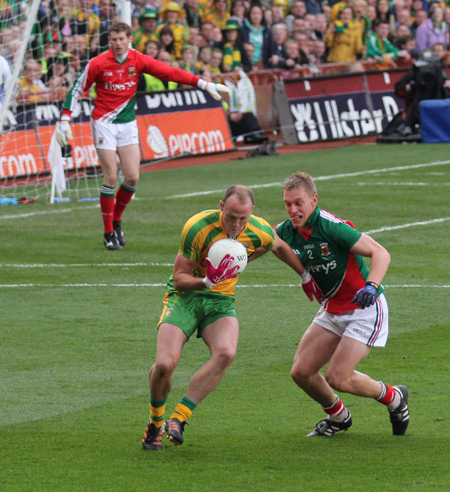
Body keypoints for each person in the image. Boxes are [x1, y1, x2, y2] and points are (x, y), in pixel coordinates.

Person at [142, 184, 321, 451]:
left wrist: (305, 276)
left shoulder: (258, 229)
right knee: (165, 364)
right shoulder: (197, 227)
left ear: (252, 213)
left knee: (226, 352)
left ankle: (178, 418)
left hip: (220, 301)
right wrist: (206, 280)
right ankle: (155, 422)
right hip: (186, 297)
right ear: (221, 206)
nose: (236, 224)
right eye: (231, 216)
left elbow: (279, 245)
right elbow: (179, 279)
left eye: (243, 218)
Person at [55, 21, 232, 250]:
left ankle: (116, 220)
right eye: (114, 39)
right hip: (103, 123)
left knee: (132, 178)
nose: (118, 43)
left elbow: (170, 72)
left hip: (127, 124)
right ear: (110, 40)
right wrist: (65, 119)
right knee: (110, 176)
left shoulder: (137, 59)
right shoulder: (98, 63)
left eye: (122, 39)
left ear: (130, 39)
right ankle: (108, 232)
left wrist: (204, 84)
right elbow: (76, 90)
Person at [274, 172, 410, 438]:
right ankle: (338, 416)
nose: (293, 210)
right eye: (288, 203)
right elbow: (266, 244)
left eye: (299, 203)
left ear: (314, 200)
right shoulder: (285, 231)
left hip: (364, 310)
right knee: (301, 372)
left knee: (338, 377)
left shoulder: (331, 226)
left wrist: (371, 285)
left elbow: (380, 252)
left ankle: (394, 398)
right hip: (332, 307)